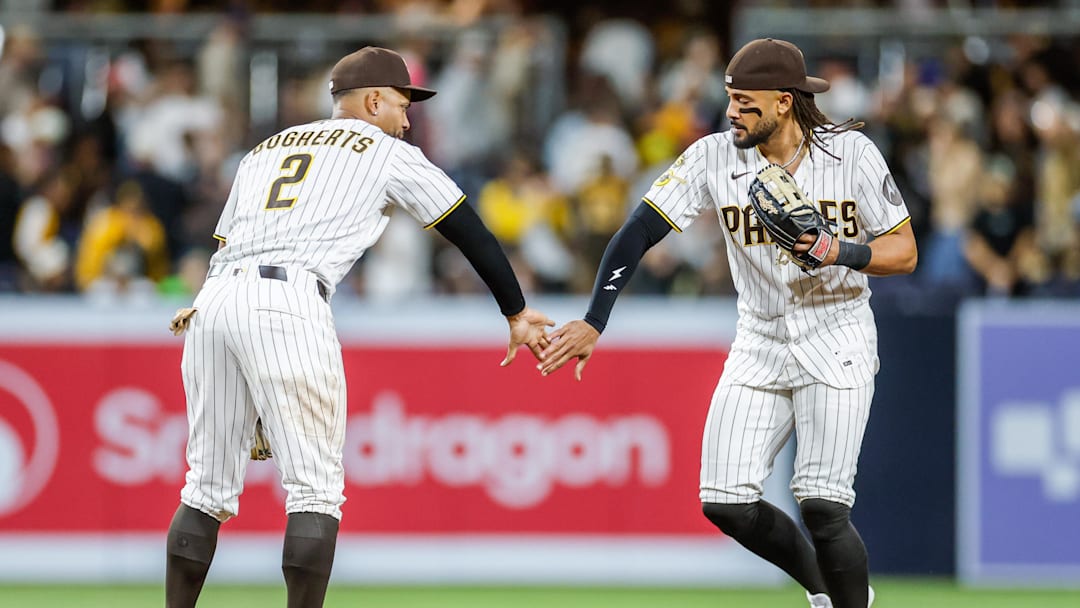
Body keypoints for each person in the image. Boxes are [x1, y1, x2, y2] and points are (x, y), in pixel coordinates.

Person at [164, 46, 553, 608]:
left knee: (205, 487)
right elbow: (467, 227)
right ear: (373, 100)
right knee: (315, 492)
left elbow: (222, 245)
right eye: (402, 102)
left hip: (214, 299)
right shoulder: (384, 151)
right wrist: (515, 311)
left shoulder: (265, 149)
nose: (407, 117)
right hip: (289, 299)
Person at [537, 38, 917, 608]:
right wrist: (596, 319)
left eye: (746, 102)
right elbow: (637, 232)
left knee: (821, 504)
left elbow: (904, 251)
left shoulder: (852, 154)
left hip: (837, 329)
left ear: (785, 102)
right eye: (729, 99)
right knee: (724, 500)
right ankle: (829, 588)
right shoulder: (714, 156)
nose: (732, 112)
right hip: (760, 336)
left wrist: (838, 250)